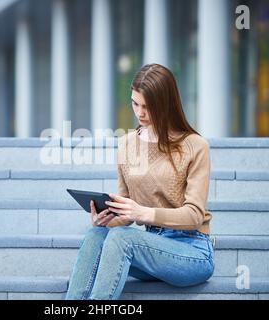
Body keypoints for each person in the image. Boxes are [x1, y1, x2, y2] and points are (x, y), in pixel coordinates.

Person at [65, 63, 214, 300]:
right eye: (135, 103)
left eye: (148, 106)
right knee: (96, 235)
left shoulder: (195, 146)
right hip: (149, 245)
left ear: (165, 104)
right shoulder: (127, 143)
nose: (140, 113)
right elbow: (127, 211)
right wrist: (107, 218)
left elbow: (195, 215)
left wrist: (143, 213)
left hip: (191, 250)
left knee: (123, 238)